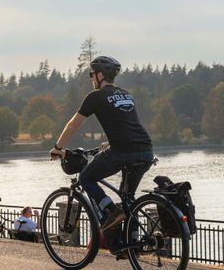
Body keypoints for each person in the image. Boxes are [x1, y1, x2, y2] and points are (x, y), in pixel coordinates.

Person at [50, 56, 154, 254]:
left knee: (86, 177)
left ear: (99, 75)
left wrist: (58, 147)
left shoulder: (96, 96)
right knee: (128, 197)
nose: (91, 78)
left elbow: (73, 125)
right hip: (146, 150)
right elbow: (128, 125)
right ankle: (132, 243)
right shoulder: (127, 94)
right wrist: (110, 142)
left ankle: (111, 211)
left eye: (91, 74)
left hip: (123, 151)